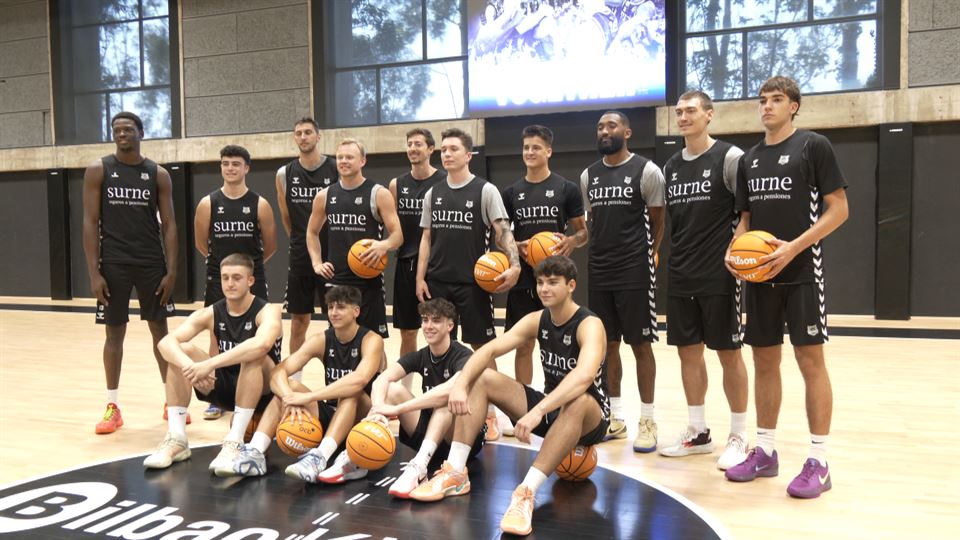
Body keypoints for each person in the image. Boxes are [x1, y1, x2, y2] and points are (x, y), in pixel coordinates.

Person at [411, 256, 609, 538]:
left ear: (571, 286)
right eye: (540, 282)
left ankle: (525, 493)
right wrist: (461, 384)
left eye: (553, 282)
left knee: (578, 401)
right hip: (552, 409)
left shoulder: (589, 324)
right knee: (483, 377)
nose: (544, 289)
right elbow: (489, 350)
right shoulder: (537, 319)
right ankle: (455, 472)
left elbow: (583, 376)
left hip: (591, 417)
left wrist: (538, 411)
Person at [723, 76, 848, 499]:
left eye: (776, 100)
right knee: (764, 361)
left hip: (802, 272)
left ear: (793, 106)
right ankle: (766, 451)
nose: (767, 106)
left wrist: (794, 247)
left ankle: (819, 461)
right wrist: (734, 250)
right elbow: (745, 220)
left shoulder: (813, 146)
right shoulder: (749, 159)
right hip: (761, 277)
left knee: (810, 362)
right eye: (762, 100)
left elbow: (839, 209)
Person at [660, 91, 749, 469]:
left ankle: (739, 435)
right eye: (679, 112)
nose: (683, 117)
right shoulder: (671, 166)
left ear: (709, 115)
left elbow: (746, 214)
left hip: (719, 274)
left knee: (729, 353)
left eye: (691, 111)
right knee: (688, 353)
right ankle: (698, 432)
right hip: (681, 272)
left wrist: (736, 251)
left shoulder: (729, 158)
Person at [416, 127, 521, 441]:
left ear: (468, 155)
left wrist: (515, 264)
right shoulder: (433, 193)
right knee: (438, 346)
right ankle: (441, 409)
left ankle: (492, 414)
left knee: (482, 350)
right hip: (438, 281)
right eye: (444, 150)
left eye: (453, 149)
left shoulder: (485, 190)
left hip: (473, 284)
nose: (447, 154)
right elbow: (426, 238)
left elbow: (503, 231)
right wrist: (420, 277)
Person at [221, 285, 383, 482]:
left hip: (364, 422)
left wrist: (308, 397)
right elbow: (278, 371)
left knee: (350, 393)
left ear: (356, 311)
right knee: (289, 387)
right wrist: (289, 397)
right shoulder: (321, 339)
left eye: (341, 307)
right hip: (333, 417)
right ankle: (256, 452)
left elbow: (359, 380)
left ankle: (319, 458)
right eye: (330, 307)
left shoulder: (371, 340)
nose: (334, 312)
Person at [82, 111, 178, 434]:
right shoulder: (99, 170)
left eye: (128, 129)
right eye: (117, 130)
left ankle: (171, 401)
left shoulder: (157, 174)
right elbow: (89, 223)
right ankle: (113, 407)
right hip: (113, 263)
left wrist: (172, 271)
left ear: (141, 133)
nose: (122, 134)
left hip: (151, 262)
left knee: (160, 332)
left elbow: (170, 225)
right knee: (114, 334)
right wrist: (94, 273)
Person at [143, 253, 282, 474]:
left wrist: (209, 365)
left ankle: (234, 441)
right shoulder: (211, 312)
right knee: (182, 350)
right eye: (225, 277)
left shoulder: (268, 311)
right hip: (222, 385)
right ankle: (177, 439)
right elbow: (165, 343)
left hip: (263, 394)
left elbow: (261, 344)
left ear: (250, 280)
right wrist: (190, 367)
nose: (230, 283)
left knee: (252, 354)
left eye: (237, 277)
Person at [580, 110, 665, 450]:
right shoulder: (589, 175)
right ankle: (614, 417)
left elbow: (658, 222)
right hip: (599, 271)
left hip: (634, 270)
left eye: (611, 126)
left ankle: (648, 419)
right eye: (600, 126)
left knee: (641, 345)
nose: (604, 131)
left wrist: (649, 254)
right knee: (607, 346)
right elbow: (592, 223)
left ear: (627, 132)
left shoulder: (647, 171)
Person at [362, 298, 485, 498]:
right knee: (392, 390)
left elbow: (449, 390)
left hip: (460, 438)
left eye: (436, 320)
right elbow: (381, 379)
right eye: (425, 320)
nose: (428, 326)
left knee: (447, 400)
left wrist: (397, 410)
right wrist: (378, 409)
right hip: (432, 434)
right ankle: (356, 458)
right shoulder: (421, 355)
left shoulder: (464, 355)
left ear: (450, 325)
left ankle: (419, 467)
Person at [195, 145, 277, 419]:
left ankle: (257, 390)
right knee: (216, 334)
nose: (230, 168)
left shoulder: (259, 204)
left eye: (236, 164)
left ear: (246, 168)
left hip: (252, 280)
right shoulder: (208, 203)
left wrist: (245, 273)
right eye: (225, 163)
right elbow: (201, 244)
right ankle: (217, 395)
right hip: (219, 279)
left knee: (256, 335)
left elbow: (271, 246)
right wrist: (228, 273)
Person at [501, 124, 586, 386]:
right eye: (526, 147)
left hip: (556, 277)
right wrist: (517, 245)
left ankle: (558, 397)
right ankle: (524, 398)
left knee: (560, 344)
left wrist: (572, 241)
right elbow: (501, 236)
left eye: (536, 147)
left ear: (548, 151)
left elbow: (583, 232)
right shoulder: (511, 193)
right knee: (524, 344)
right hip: (525, 279)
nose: (529, 152)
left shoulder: (567, 188)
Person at [306, 138, 402, 340]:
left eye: (349, 157)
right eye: (340, 157)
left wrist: (384, 244)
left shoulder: (379, 194)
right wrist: (316, 263)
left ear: (362, 161)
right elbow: (312, 232)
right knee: (340, 340)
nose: (343, 161)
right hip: (337, 280)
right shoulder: (325, 195)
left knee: (373, 341)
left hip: (368, 281)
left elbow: (397, 236)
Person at [276, 117, 338, 355]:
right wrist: (303, 241)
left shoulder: (335, 168)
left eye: (308, 132)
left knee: (337, 318)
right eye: (299, 133)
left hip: (332, 255)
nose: (303, 137)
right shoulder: (284, 174)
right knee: (299, 321)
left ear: (318, 137)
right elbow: (286, 217)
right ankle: (295, 373)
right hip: (301, 256)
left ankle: (338, 369)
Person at [389, 128, 447, 359]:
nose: (412, 148)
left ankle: (440, 376)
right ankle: (405, 380)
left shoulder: (444, 181)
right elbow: (391, 226)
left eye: (418, 144)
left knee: (440, 330)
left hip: (435, 265)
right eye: (410, 144)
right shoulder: (396, 184)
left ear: (431, 149)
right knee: (408, 331)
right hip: (405, 263)